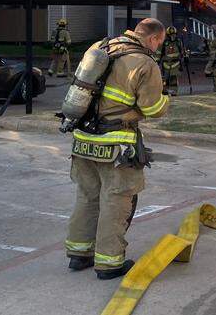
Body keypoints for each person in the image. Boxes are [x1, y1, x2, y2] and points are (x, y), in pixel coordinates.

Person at [64, 18, 169, 280]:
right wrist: (166, 100)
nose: (159, 48)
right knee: (116, 200)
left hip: (83, 138)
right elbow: (152, 109)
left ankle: (79, 254)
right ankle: (109, 263)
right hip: (117, 144)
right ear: (154, 38)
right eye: (160, 43)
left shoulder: (99, 47)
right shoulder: (145, 63)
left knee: (87, 196)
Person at [157, 26, 186, 95]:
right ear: (168, 35)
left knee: (173, 78)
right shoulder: (164, 43)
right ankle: (165, 91)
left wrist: (185, 57)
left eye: (174, 34)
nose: (172, 36)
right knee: (165, 79)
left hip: (175, 63)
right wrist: (157, 60)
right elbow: (160, 52)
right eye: (171, 35)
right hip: (166, 64)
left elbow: (182, 51)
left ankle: (174, 91)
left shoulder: (178, 42)